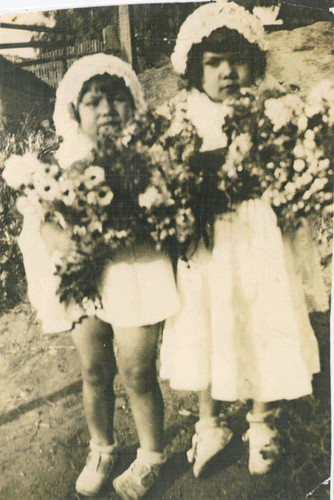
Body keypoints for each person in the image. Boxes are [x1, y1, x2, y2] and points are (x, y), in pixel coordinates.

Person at [160, 0, 329, 477]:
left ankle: (260, 420)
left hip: (256, 232)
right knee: (205, 320)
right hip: (207, 238)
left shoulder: (269, 108)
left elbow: (287, 170)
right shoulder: (184, 117)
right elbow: (169, 174)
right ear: (195, 70)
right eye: (213, 64)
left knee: (260, 317)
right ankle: (209, 422)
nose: (227, 73)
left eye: (237, 61)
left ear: (255, 64)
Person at [15, 54, 180, 499]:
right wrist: (63, 243)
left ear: (134, 103)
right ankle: (102, 447)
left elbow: (163, 213)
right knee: (93, 367)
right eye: (93, 102)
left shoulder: (147, 155)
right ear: (74, 111)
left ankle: (151, 455)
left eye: (116, 99)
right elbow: (40, 217)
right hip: (85, 277)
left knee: (137, 368)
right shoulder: (64, 163)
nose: (106, 109)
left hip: (134, 270)